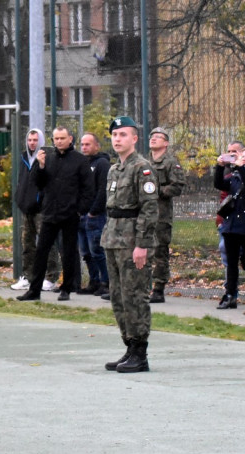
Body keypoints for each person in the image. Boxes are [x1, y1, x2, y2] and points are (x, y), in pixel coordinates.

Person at [102, 116, 158, 373]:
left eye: (123, 135)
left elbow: (149, 209)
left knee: (135, 296)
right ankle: (128, 346)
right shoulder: (115, 169)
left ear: (134, 138)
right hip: (113, 238)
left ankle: (140, 352)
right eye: (114, 135)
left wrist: (142, 244)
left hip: (132, 241)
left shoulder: (142, 168)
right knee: (118, 297)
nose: (117, 139)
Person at [17, 127, 94, 302]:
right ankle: (34, 290)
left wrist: (79, 209)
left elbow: (88, 189)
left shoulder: (79, 160)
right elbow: (38, 182)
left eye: (62, 138)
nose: (59, 141)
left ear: (70, 139)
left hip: (70, 213)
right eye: (56, 138)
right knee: (41, 251)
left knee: (68, 251)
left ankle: (67, 287)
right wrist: (41, 166)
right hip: (50, 212)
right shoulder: (48, 158)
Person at [213, 146, 245, 309]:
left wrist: (242, 168)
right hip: (231, 225)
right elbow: (219, 184)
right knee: (231, 262)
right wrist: (219, 167)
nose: (243, 160)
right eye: (241, 157)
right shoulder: (234, 176)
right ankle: (230, 296)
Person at [12, 128, 60, 291]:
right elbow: (23, 181)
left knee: (47, 243)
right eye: (29, 140)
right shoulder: (24, 157)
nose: (32, 143)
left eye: (35, 140)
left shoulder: (48, 157)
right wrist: (20, 198)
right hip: (27, 208)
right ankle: (28, 276)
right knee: (27, 243)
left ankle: (51, 277)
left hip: (42, 208)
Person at [147, 127, 186, 303]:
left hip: (161, 214)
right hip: (143, 212)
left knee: (159, 251)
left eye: (158, 137)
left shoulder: (170, 162)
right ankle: (141, 285)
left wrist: (158, 191)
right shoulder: (143, 161)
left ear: (166, 142)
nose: (153, 139)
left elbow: (177, 186)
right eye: (152, 137)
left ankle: (158, 287)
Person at [77, 132, 110, 297]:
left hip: (95, 216)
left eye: (87, 144)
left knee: (97, 250)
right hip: (80, 215)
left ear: (96, 146)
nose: (84, 147)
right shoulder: (81, 164)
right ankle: (94, 281)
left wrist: (93, 212)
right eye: (82, 144)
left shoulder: (102, 163)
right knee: (86, 253)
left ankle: (106, 282)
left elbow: (102, 190)